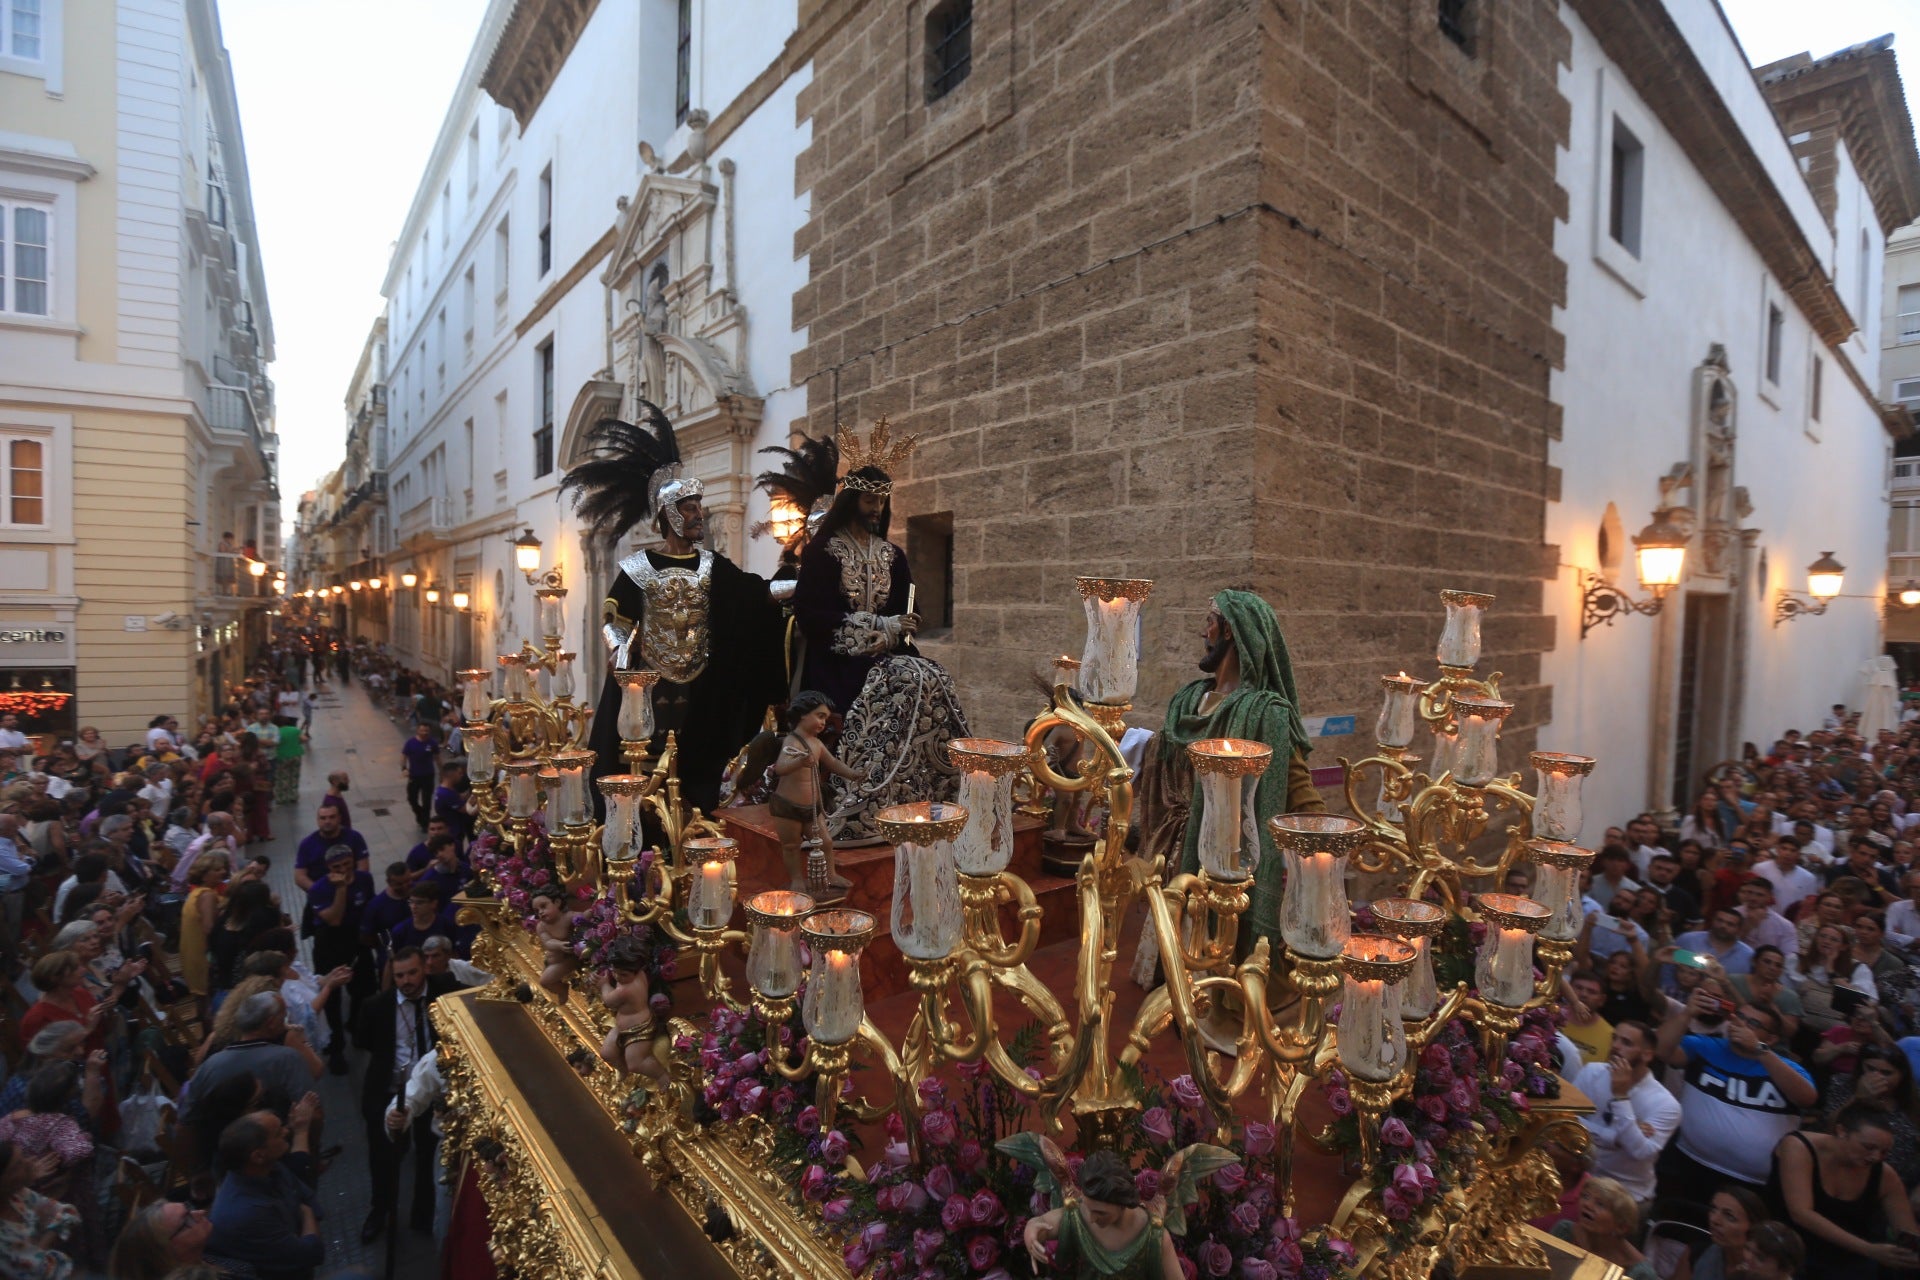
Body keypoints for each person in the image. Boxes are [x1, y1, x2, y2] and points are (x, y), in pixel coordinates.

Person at [561, 404, 787, 816]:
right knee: (640, 760)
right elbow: (615, 617)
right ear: (668, 515)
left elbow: (756, 595)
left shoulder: (711, 566)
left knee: (697, 760)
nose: (699, 514)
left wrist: (801, 584)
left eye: (699, 507)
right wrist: (620, 648)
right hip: (649, 684)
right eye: (689, 508)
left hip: (701, 685)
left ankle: (694, 814)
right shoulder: (638, 568)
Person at [793, 434, 973, 844]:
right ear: (852, 499)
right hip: (836, 659)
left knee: (933, 677)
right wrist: (878, 628)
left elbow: (908, 605)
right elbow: (810, 613)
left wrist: (906, 623)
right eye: (869, 501)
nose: (876, 510)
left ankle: (931, 791)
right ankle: (863, 797)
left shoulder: (893, 555)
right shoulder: (824, 551)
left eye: (881, 502)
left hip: (889, 655)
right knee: (906, 681)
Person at [1133, 589, 1321, 978]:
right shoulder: (1189, 701)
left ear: (1230, 632)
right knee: (1168, 976)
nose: (1204, 632)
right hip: (1174, 856)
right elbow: (1165, 756)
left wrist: (1323, 846)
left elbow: (1299, 789)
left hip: (1226, 866)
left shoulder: (1266, 713)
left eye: (1210, 622)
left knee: (1211, 979)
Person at [1656, 988, 1817, 1189]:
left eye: (1753, 1023)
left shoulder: (1786, 1067)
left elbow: (1807, 1098)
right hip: (1689, 1162)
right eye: (1740, 1016)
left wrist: (1759, 1050)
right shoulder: (1705, 1046)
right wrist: (1687, 1013)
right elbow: (1661, 1051)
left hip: (1751, 1184)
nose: (1742, 1024)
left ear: (1772, 1039)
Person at [353, 947, 458, 1244]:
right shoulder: (376, 1006)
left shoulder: (445, 990)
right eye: (399, 975)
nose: (407, 981)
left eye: (412, 973)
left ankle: (423, 1215)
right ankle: (380, 1211)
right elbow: (365, 1041)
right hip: (389, 1092)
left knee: (429, 1155)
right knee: (383, 1158)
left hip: (434, 1094)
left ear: (424, 968)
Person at [1764, 1103, 1920, 1280]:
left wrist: (1911, 1252)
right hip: (1791, 1253)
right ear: (1841, 1132)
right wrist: (1868, 1249)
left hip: (1846, 1262)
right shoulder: (1798, 1147)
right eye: (1868, 1147)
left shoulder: (1884, 1175)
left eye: (1884, 1152)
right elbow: (1801, 1213)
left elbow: (1907, 1231)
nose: (1876, 1157)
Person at [1020, 1149, 1183, 1280]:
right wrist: (1031, 1233)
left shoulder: (1153, 1236)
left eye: (1101, 1213)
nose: (1091, 1218)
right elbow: (1041, 1223)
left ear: (1122, 1204)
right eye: (1088, 1207)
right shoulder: (1079, 1215)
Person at [205, 1102, 324, 1280]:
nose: (287, 1131)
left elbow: (307, 1197)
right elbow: (310, 1255)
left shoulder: (270, 1166)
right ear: (258, 1156)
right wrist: (306, 1213)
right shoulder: (248, 1213)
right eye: (278, 1132)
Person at [1574, 1020, 1680, 1210]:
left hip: (1625, 1197)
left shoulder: (1666, 1104)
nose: (1615, 1046)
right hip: (1579, 1180)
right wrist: (1615, 1137)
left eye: (1626, 1043)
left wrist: (1621, 1097)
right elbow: (1565, 1119)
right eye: (1615, 1038)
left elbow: (1639, 1151)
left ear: (1647, 1055)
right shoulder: (1591, 1072)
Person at [766, 691, 862, 898]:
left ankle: (831, 875)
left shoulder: (817, 744)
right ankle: (796, 878)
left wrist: (853, 774)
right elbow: (781, 768)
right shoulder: (793, 741)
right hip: (788, 805)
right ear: (802, 715)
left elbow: (833, 763)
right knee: (791, 845)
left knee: (826, 842)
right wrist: (799, 762)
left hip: (812, 806)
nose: (823, 722)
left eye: (825, 718)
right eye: (820, 716)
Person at [184, 993, 319, 1123]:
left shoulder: (209, 1065)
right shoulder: (287, 1059)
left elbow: (186, 1120)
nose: (287, 1022)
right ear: (271, 1023)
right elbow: (313, 1113)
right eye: (284, 1017)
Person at [302, 845, 373, 1073]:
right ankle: (336, 1047)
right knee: (331, 998)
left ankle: (355, 1025)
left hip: (357, 941)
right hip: (329, 945)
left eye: (346, 864)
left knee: (364, 990)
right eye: (336, 867)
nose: (343, 870)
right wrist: (341, 889)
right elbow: (333, 919)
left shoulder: (364, 879)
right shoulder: (319, 889)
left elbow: (370, 908)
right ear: (328, 868)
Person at [109, 1199, 254, 1279]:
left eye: (189, 1208)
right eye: (187, 1220)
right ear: (163, 1251)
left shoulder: (202, 1256)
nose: (201, 1212)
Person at [1545, 1177, 1657, 1280]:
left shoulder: (1641, 1274)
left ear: (1621, 1227)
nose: (1587, 1204)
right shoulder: (1564, 1231)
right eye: (1585, 1196)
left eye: (1600, 1204)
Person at [0, 1141, 76, 1280]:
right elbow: (44, 1270)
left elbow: (69, 1212)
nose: (30, 1164)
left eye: (23, 1157)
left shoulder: (17, 1196)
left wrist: (38, 1246)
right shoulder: (4, 1237)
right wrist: (48, 1236)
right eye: (17, 1166)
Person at [1672, 1186, 1768, 1280]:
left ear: (1753, 1228)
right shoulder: (1696, 1254)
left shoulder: (1767, 1272)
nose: (1714, 1220)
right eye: (1713, 1210)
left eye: (1729, 1216)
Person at [291, 805, 367, 893]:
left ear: (339, 818)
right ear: (317, 820)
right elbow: (299, 877)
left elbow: (363, 868)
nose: (327, 821)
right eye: (323, 818)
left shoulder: (354, 837)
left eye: (332, 817)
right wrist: (320, 892)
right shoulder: (307, 844)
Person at [401, 724, 438, 831]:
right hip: (414, 775)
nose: (424, 732)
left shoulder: (432, 743)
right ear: (418, 731)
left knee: (426, 800)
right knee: (411, 798)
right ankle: (419, 813)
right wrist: (404, 768)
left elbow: (437, 757)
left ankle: (425, 823)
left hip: (428, 775)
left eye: (426, 730)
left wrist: (442, 771)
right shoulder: (410, 743)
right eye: (422, 730)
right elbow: (404, 756)